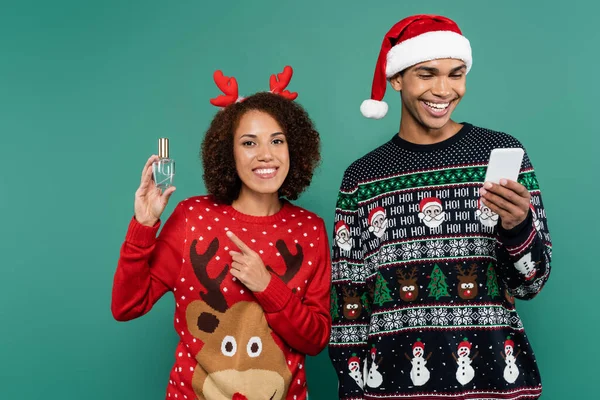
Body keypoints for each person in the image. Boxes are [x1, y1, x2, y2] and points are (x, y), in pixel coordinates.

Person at [328, 15, 552, 399]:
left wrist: (517, 227)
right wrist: (352, 392)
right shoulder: (361, 179)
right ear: (396, 78)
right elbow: (349, 302)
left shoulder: (498, 156)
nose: (444, 90)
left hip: (495, 385)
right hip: (395, 389)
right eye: (427, 74)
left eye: (456, 74)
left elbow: (531, 284)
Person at [111, 66, 331, 400]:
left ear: (294, 149)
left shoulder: (310, 229)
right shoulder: (192, 217)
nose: (265, 155)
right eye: (248, 143)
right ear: (228, 153)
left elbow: (315, 340)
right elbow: (127, 306)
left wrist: (268, 287)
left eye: (277, 141)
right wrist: (143, 227)